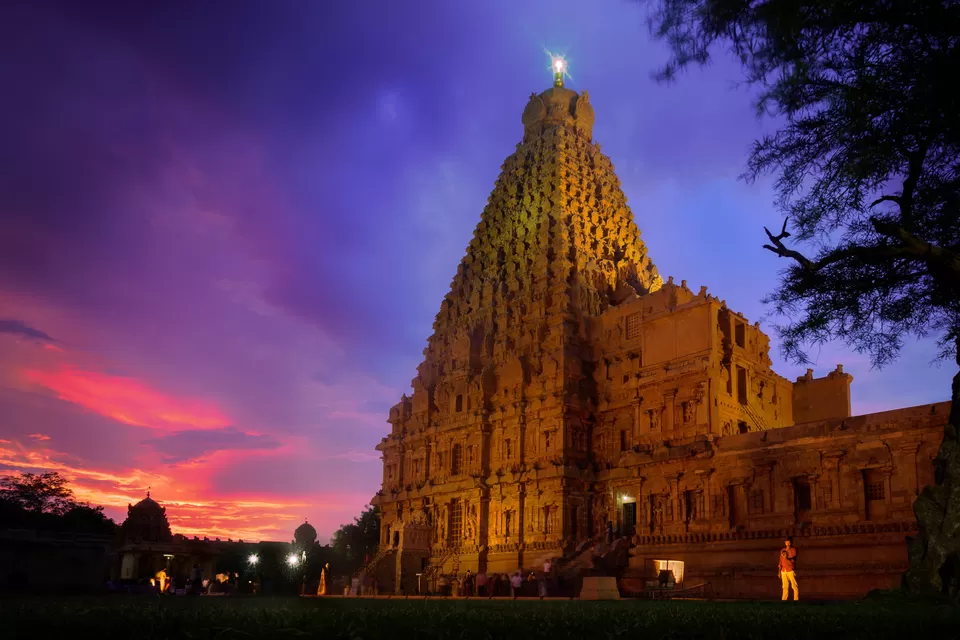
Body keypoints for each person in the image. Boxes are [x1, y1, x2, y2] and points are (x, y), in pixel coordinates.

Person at [778, 536, 799, 601]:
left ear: (791, 543)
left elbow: (793, 560)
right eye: (787, 542)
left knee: (794, 586)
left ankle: (796, 600)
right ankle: (784, 600)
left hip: (790, 570)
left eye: (789, 542)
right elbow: (780, 561)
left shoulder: (793, 550)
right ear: (785, 543)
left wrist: (787, 558)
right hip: (783, 570)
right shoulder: (782, 550)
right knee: (785, 587)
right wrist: (779, 571)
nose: (788, 544)